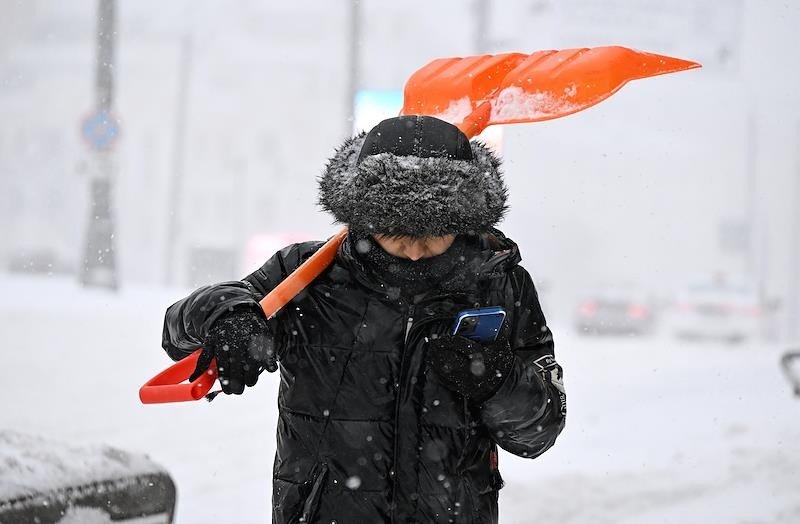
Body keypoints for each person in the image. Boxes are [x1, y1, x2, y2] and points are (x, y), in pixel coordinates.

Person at [162, 115, 566, 523]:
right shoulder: (309, 276)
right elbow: (179, 330)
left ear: (462, 225)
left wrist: (498, 382)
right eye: (395, 232)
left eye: (431, 234)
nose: (412, 251)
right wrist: (229, 318)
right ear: (365, 220)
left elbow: (539, 434)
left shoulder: (500, 284)